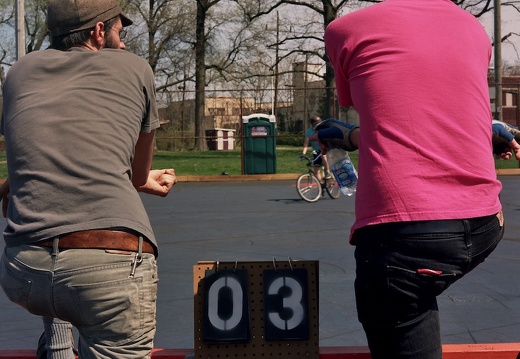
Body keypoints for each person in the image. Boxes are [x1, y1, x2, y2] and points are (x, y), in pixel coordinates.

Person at [309, 1, 512, 358]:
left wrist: (345, 135)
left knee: (403, 290)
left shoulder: (344, 30)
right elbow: (416, 112)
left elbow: (379, 108)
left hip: (403, 237)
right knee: (418, 286)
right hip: (485, 223)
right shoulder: (473, 29)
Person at [0, 0, 177, 358]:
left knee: (62, 282)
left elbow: (35, 153)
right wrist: (140, 180)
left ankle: (60, 343)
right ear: (99, 31)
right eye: (119, 31)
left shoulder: (20, 71)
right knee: (95, 294)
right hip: (110, 271)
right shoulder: (135, 68)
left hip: (24, 271)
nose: (123, 43)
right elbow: (140, 173)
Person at [301, 116, 330, 181]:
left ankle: (327, 171)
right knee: (316, 170)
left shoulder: (323, 129)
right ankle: (321, 185)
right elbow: (306, 144)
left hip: (325, 149)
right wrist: (303, 153)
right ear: (312, 124)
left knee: (323, 155)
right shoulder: (309, 131)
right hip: (316, 151)